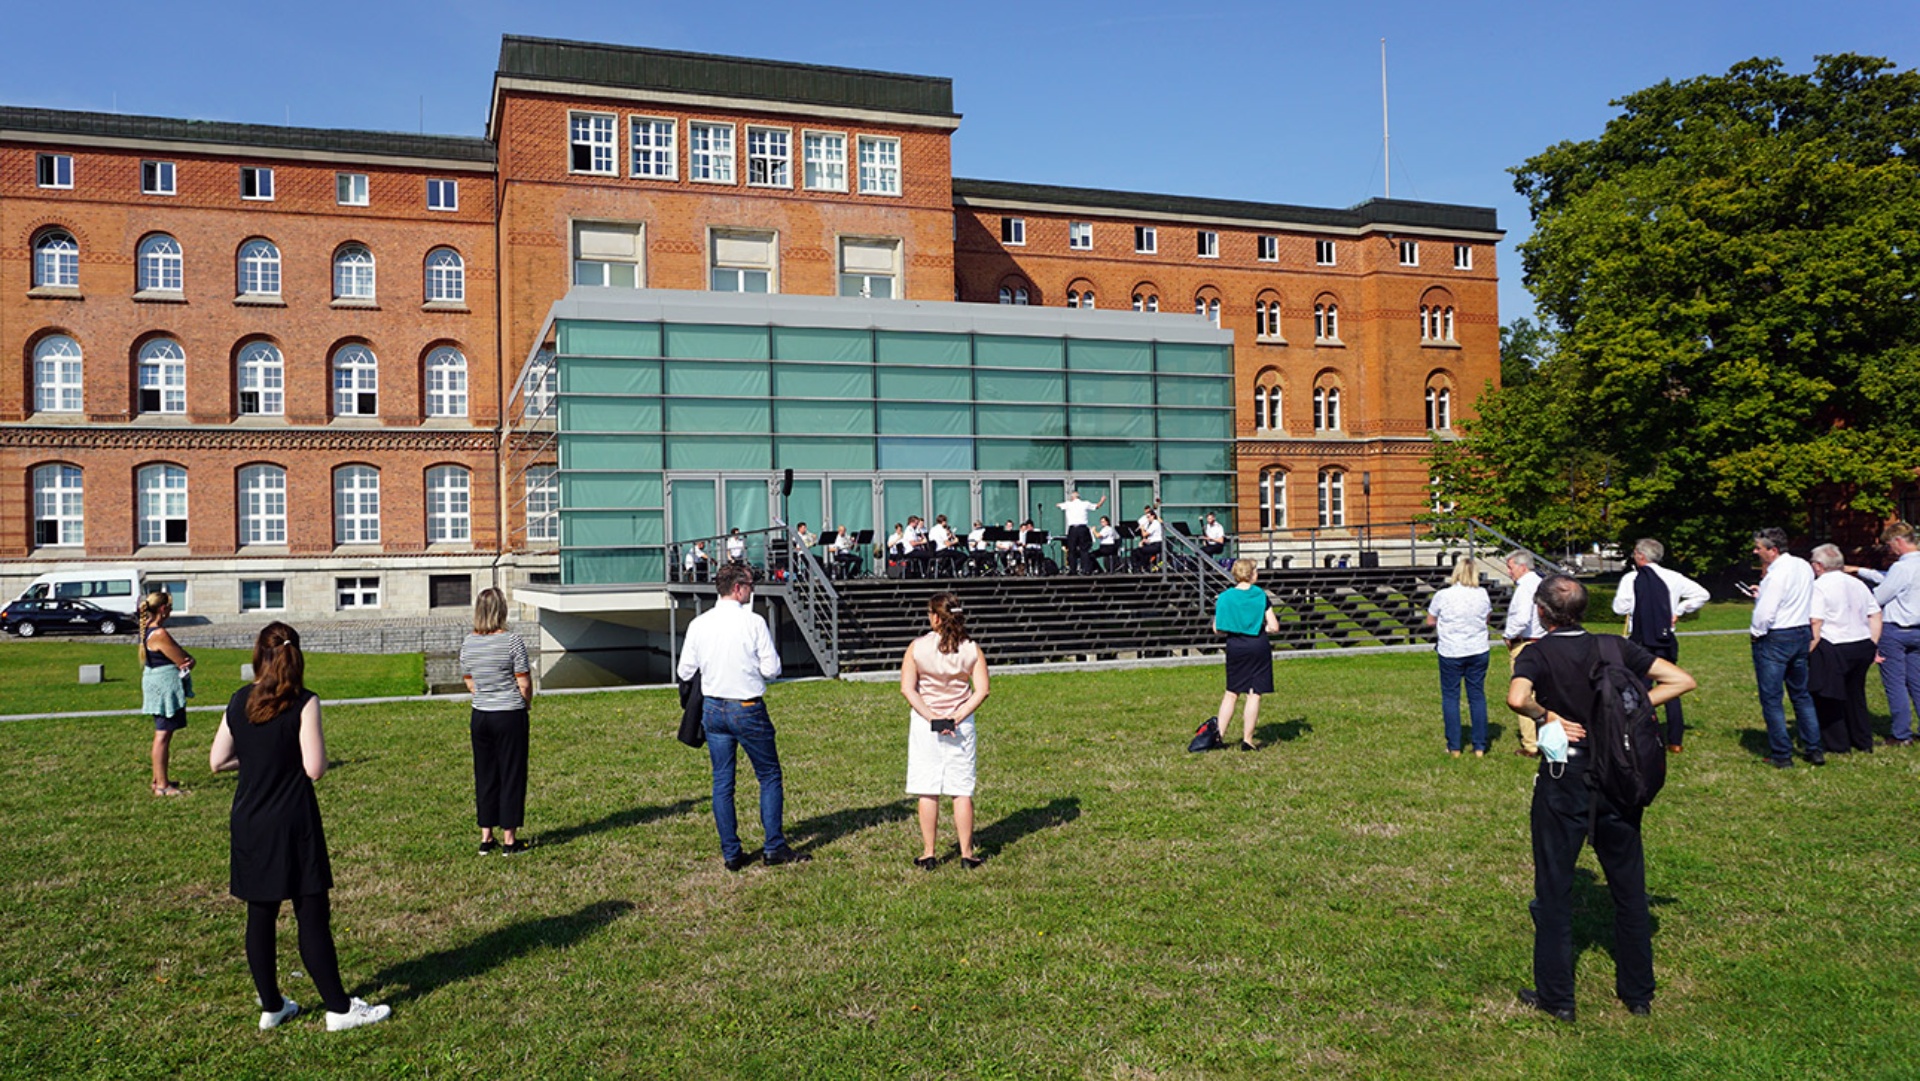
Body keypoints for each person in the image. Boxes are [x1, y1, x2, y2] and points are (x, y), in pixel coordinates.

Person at [1506, 576, 1696, 1023]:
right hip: (1618, 772)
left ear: (1542, 611)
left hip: (1565, 773)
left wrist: (1548, 715)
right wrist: (1633, 712)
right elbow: (1682, 680)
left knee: (1553, 888)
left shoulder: (1537, 651)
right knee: (1628, 886)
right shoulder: (1614, 646)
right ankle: (1638, 993)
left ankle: (1558, 998)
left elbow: (1517, 697)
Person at [209, 622, 391, 1032]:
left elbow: (217, 761)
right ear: (297, 656)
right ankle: (339, 1009)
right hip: (292, 821)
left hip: (250, 821)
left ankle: (272, 1005)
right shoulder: (305, 702)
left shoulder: (238, 701)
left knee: (261, 914)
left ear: (259, 654)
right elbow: (315, 768)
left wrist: (255, 761)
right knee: (311, 914)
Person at [675, 564, 809, 870]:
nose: (752, 590)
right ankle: (774, 846)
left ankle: (731, 853)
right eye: (750, 585)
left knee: (723, 780)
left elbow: (684, 671)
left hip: (713, 707)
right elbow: (771, 669)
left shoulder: (699, 623)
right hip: (747, 706)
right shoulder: (753, 622)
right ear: (738, 588)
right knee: (769, 775)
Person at [899, 592, 991, 870]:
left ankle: (929, 853)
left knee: (928, 789)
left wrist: (933, 717)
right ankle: (966, 853)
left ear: (936, 617)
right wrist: (956, 716)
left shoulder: (917, 647)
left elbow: (908, 688)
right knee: (961, 790)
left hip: (925, 726)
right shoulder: (971, 649)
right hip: (960, 726)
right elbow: (982, 690)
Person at [1611, 538, 1710, 753]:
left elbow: (1619, 608)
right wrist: (1679, 610)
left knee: (1639, 685)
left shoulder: (1632, 578)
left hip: (1640, 640)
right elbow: (1703, 594)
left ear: (1640, 556)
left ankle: (1640, 730)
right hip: (1665, 639)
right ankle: (1675, 739)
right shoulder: (1673, 577)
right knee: (1671, 684)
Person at [460, 588, 533, 855]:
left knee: (486, 773)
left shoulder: (469, 642)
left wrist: (483, 694)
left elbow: (468, 680)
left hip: (481, 715)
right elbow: (523, 683)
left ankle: (486, 836)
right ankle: (510, 840)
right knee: (511, 774)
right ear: (501, 610)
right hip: (509, 714)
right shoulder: (512, 641)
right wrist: (526, 704)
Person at [1744, 527, 1822, 767]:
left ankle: (1782, 753)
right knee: (1801, 694)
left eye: (1759, 548)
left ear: (1773, 550)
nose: (1756, 551)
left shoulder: (1776, 574)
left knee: (1772, 698)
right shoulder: (1802, 566)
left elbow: (1767, 612)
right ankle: (1814, 748)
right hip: (1800, 631)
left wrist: (1756, 633)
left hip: (1777, 636)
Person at [1849, 521, 1920, 747]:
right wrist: (1859, 571)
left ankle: (1901, 733)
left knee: (1895, 683)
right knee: (1917, 682)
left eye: (1890, 545)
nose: (1890, 550)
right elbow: (1889, 578)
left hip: (1895, 631)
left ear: (1898, 541)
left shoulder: (1901, 568)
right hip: (1917, 630)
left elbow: (1881, 595)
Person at [1809, 543, 1881, 755]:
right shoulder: (1857, 583)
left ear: (1819, 566)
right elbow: (1875, 613)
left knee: (1828, 695)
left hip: (1834, 644)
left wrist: (1809, 650)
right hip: (1861, 643)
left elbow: (1816, 622)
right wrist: (1872, 642)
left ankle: (1838, 744)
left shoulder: (1819, 586)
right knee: (1855, 694)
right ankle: (1862, 739)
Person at [1426, 558, 1492, 757]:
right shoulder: (1482, 594)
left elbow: (1430, 620)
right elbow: (1487, 618)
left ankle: (1454, 746)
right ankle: (1479, 745)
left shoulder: (1443, 595)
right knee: (1477, 697)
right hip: (1478, 649)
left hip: (1452, 650)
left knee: (1451, 697)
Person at [1212, 558, 1278, 751]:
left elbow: (1217, 628)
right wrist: (1260, 626)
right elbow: (1274, 626)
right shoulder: (1260, 596)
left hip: (1235, 645)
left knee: (1232, 692)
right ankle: (1247, 740)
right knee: (1254, 693)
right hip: (1257, 644)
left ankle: (1219, 736)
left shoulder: (1224, 597)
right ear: (1251, 574)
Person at [138, 590, 195, 796]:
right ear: (163, 609)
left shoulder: (147, 631)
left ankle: (158, 779)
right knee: (163, 734)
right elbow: (183, 660)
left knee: (162, 732)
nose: (171, 610)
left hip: (155, 682)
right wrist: (190, 661)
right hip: (164, 686)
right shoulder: (160, 634)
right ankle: (162, 785)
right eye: (170, 607)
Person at [1502, 551, 1547, 755]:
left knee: (1523, 694)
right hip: (1544, 641)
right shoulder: (1542, 584)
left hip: (1526, 642)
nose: (1509, 572)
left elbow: (1521, 619)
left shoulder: (1524, 588)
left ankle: (1531, 744)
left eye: (1511, 567)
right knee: (1546, 693)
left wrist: (1508, 635)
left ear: (1522, 567)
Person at [1057, 488, 1108, 575]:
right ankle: (1086, 569)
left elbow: (1058, 505)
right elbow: (1097, 506)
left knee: (1072, 550)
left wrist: (1066, 504)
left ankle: (1073, 570)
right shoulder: (1085, 503)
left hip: (1073, 528)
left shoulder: (1069, 504)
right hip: (1083, 528)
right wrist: (1102, 500)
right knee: (1084, 549)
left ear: (1072, 497)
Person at [1131, 506, 1164, 571]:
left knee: (1139, 551)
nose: (1148, 519)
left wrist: (1142, 528)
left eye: (1149, 517)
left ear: (1153, 516)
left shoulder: (1155, 523)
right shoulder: (1151, 524)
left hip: (1157, 545)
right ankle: (1142, 566)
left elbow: (1144, 534)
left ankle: (1143, 566)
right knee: (1136, 551)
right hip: (1152, 543)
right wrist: (1144, 541)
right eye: (1147, 517)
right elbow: (1152, 537)